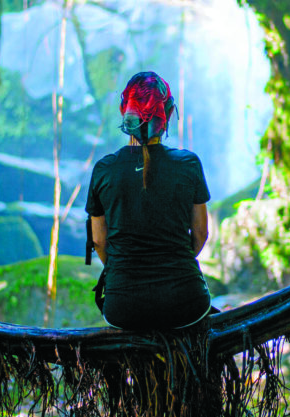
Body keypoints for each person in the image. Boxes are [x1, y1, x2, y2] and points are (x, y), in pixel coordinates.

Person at [85, 71, 212, 330]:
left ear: (125, 113)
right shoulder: (188, 165)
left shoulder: (104, 170)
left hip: (123, 309)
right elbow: (200, 234)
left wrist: (125, 269)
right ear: (167, 115)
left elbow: (99, 241)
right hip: (186, 305)